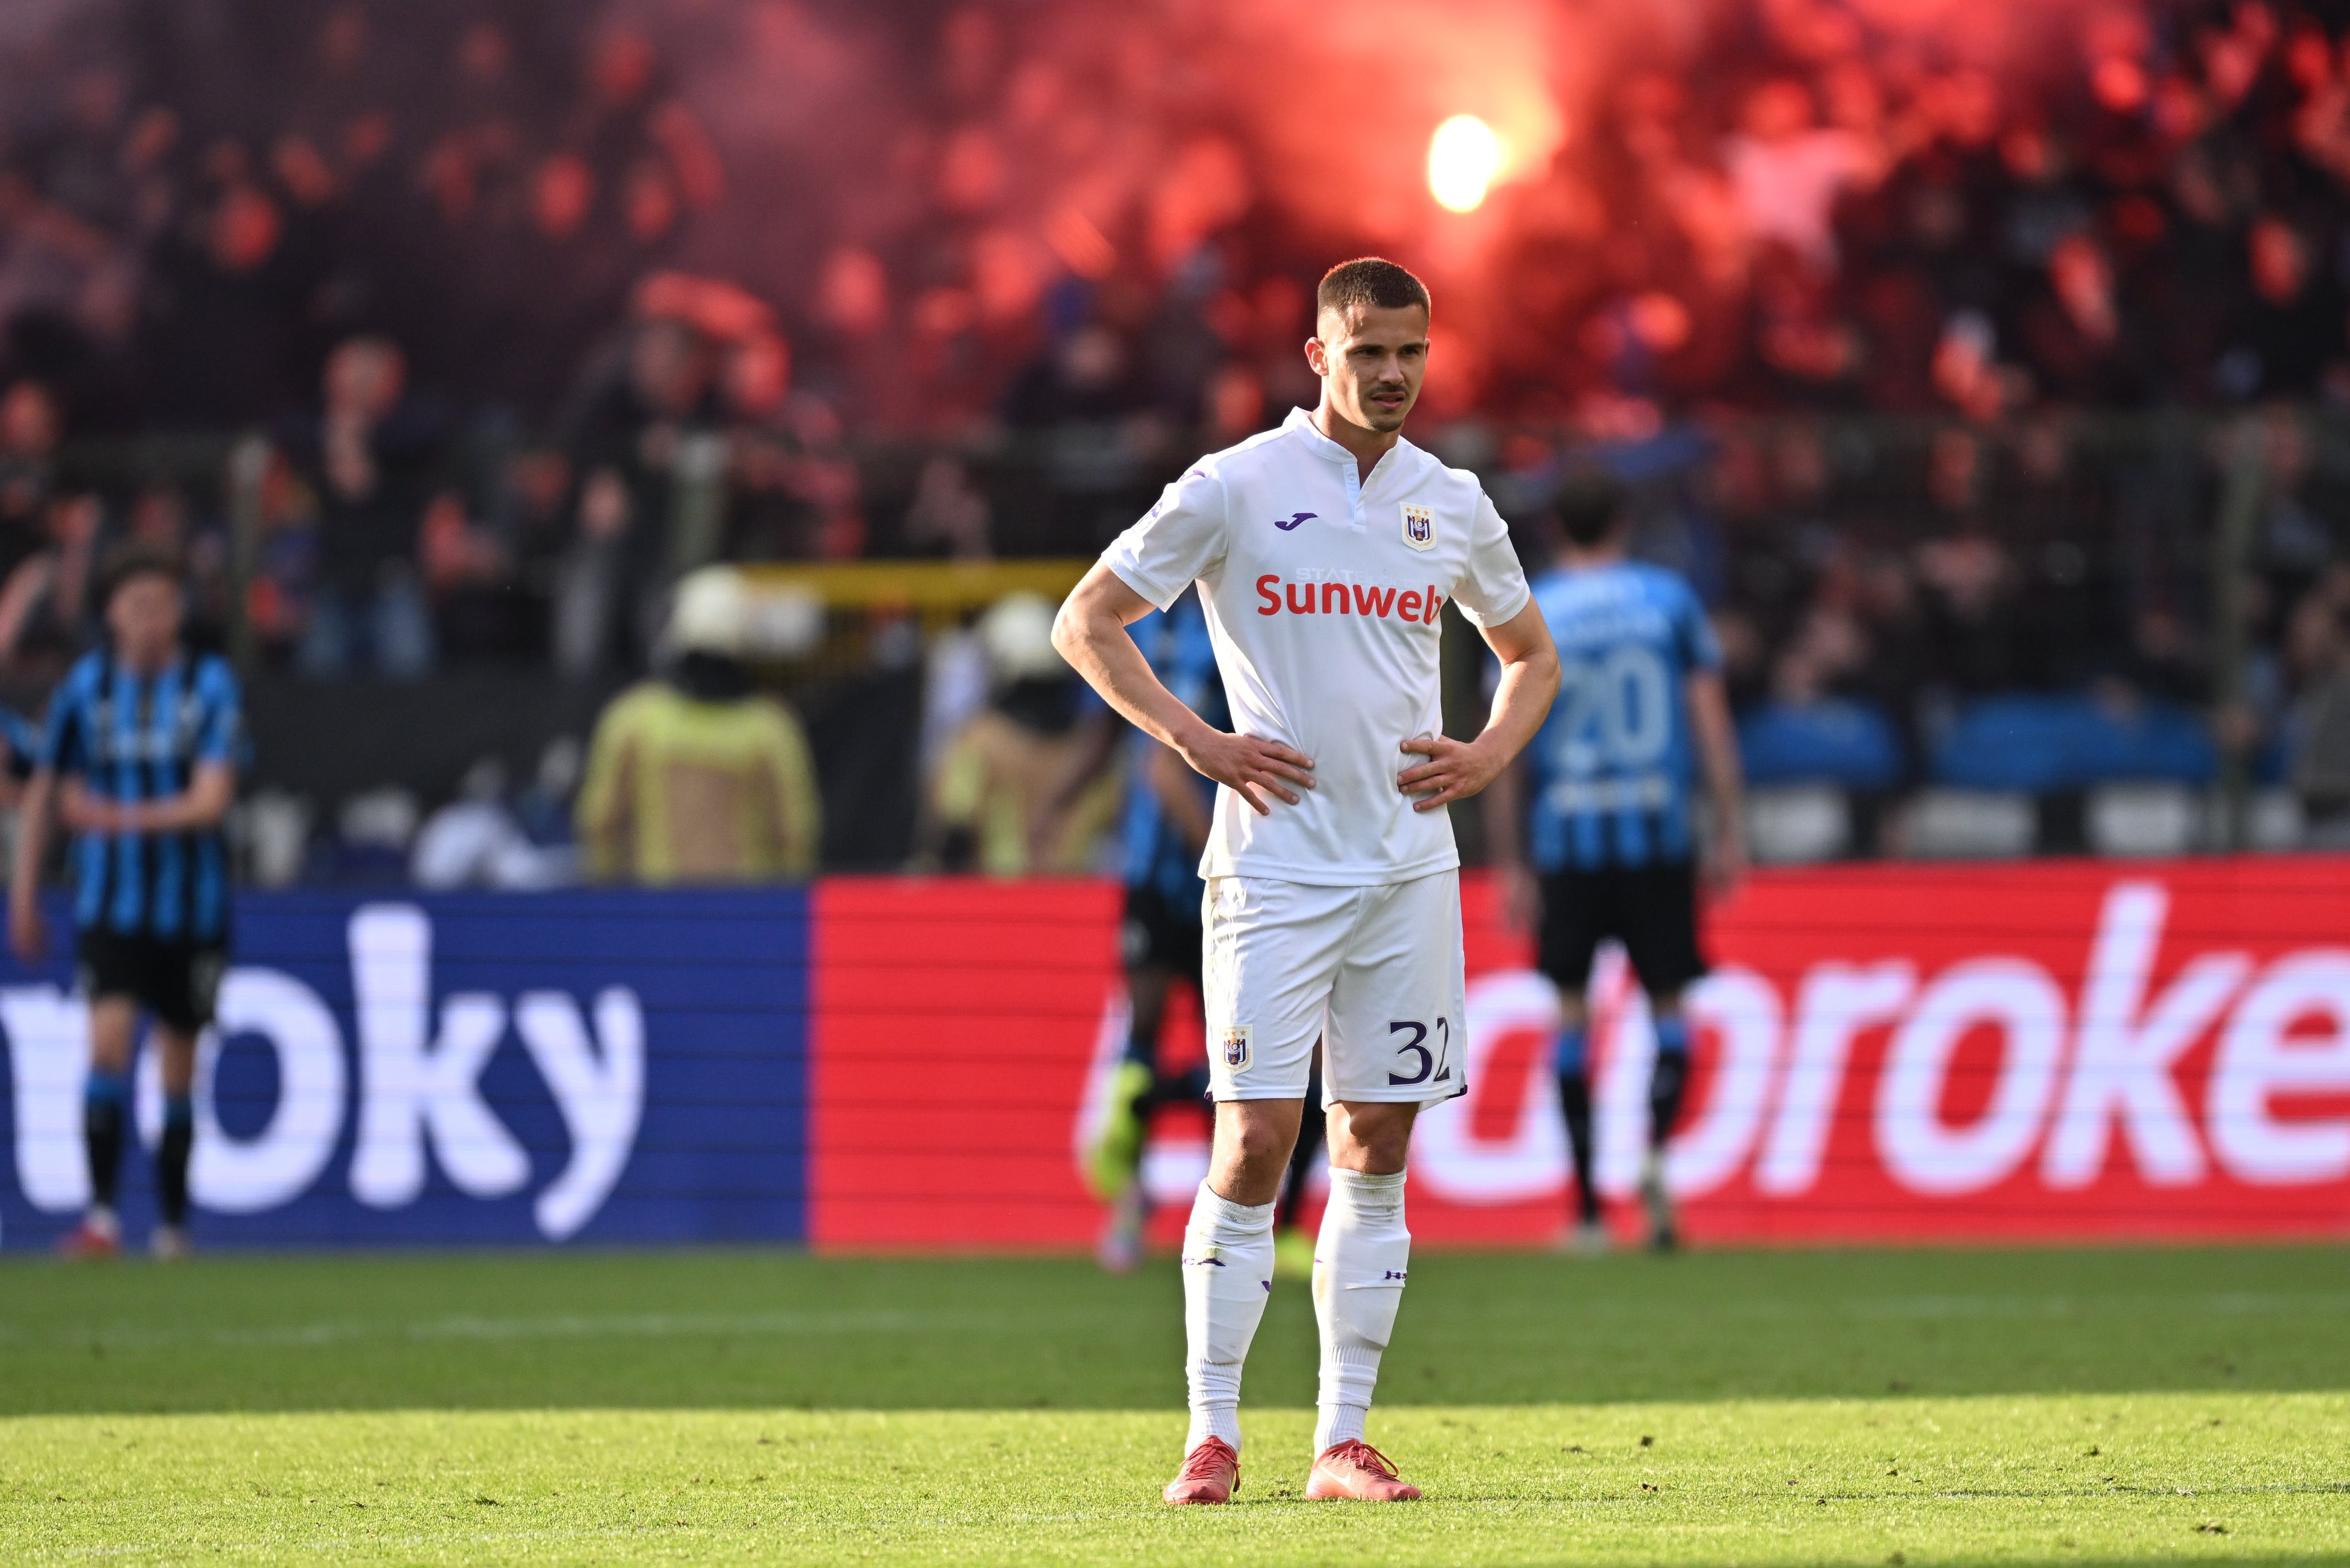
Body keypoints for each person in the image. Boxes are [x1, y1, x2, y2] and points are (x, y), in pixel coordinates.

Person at [1054, 258, 1559, 1506]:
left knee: (1374, 1141)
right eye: (1366, 350)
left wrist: (1486, 753)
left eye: (1409, 352)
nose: (1390, 373)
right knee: (1253, 1138)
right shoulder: (1234, 484)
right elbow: (1085, 621)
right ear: (1317, 354)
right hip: (1273, 869)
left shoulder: (1449, 500)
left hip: (1405, 868)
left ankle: (1341, 1438)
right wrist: (1198, 741)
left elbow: (1529, 656)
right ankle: (1209, 1435)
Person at [1485, 470, 1747, 1255]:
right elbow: (1709, 720)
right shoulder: (1669, 601)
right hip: (1657, 835)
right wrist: (1729, 826)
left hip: (1567, 839)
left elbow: (1504, 741)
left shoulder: (1531, 609)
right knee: (1668, 1007)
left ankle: (1588, 1212)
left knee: (1572, 1013)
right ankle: (1656, 1155)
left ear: (1553, 527)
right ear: (1624, 519)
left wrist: (1511, 860)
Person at [9, 543, 243, 1259]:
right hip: (109, 905)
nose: (149, 619)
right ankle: (104, 1217)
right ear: (112, 613)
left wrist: (113, 817)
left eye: (162, 605)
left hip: (193, 908)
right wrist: (23, 892)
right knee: (107, 1044)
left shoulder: (209, 684)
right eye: (136, 605)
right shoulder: (86, 688)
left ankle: (172, 1225)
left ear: (179, 613)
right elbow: (47, 794)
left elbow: (212, 799)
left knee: (178, 1064)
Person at [1086, 591, 1327, 1278]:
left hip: (1173, 873)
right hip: (1189, 877)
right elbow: (1162, 769)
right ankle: (1147, 1205)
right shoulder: (1218, 638)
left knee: (1213, 1054)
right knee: (1208, 1048)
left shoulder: (1182, 622)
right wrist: (1226, 863)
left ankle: (1234, 1214)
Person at [575, 565, 819, 883]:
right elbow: (796, 837)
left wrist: (608, 899)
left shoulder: (633, 720)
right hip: (747, 910)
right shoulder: (771, 729)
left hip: (654, 907)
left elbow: (600, 824)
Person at [925, 593, 1120, 876]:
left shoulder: (981, 740)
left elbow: (951, 825)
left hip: (1001, 894)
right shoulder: (1091, 749)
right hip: (1078, 892)